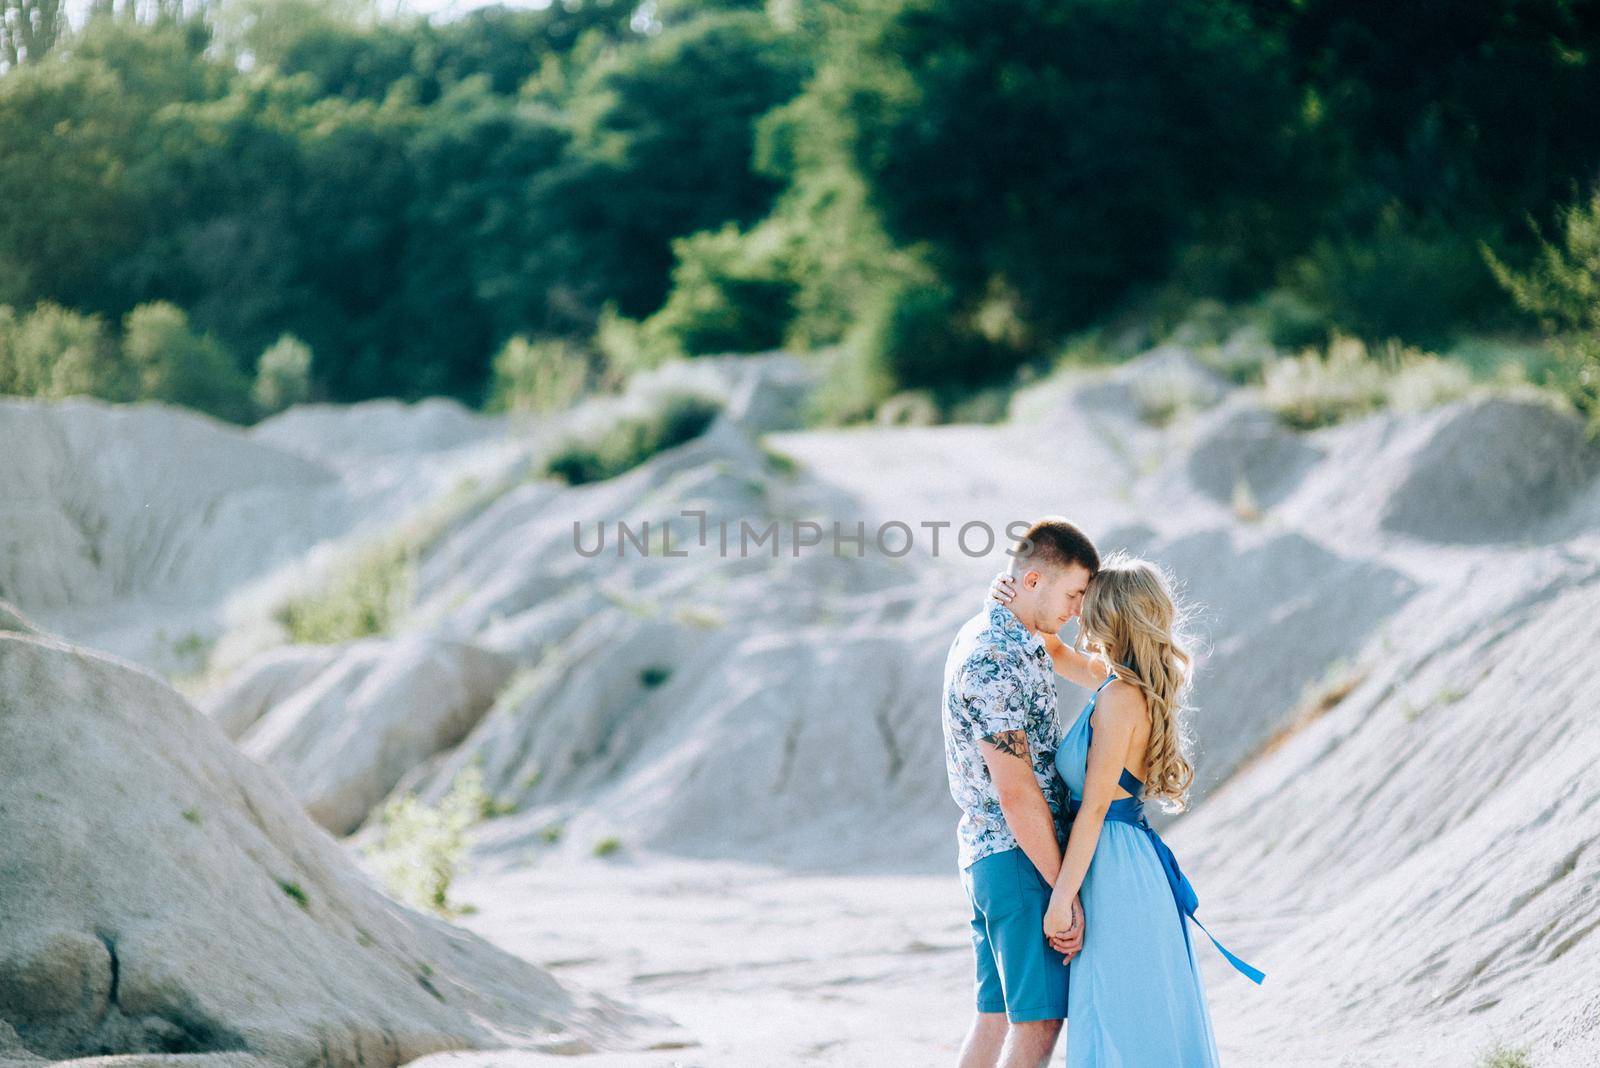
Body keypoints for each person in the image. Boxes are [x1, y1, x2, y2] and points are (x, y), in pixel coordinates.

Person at [991, 553, 1265, 1067]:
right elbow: (1051, 648)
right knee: (1121, 1018)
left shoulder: (1119, 696)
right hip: (1119, 861)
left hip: (1112, 870)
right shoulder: (1118, 682)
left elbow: (1094, 809)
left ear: (1109, 616)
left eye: (1084, 603)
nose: (1076, 613)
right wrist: (1014, 602)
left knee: (1121, 1020)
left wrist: (1060, 900)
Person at [941, 517, 1099, 1068]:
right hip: (1017, 856)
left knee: (998, 1015)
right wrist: (1064, 890)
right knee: (1039, 1019)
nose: (1078, 609)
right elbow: (1016, 792)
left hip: (995, 855)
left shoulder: (1003, 636)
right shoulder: (993, 660)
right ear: (1032, 581)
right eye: (1075, 593)